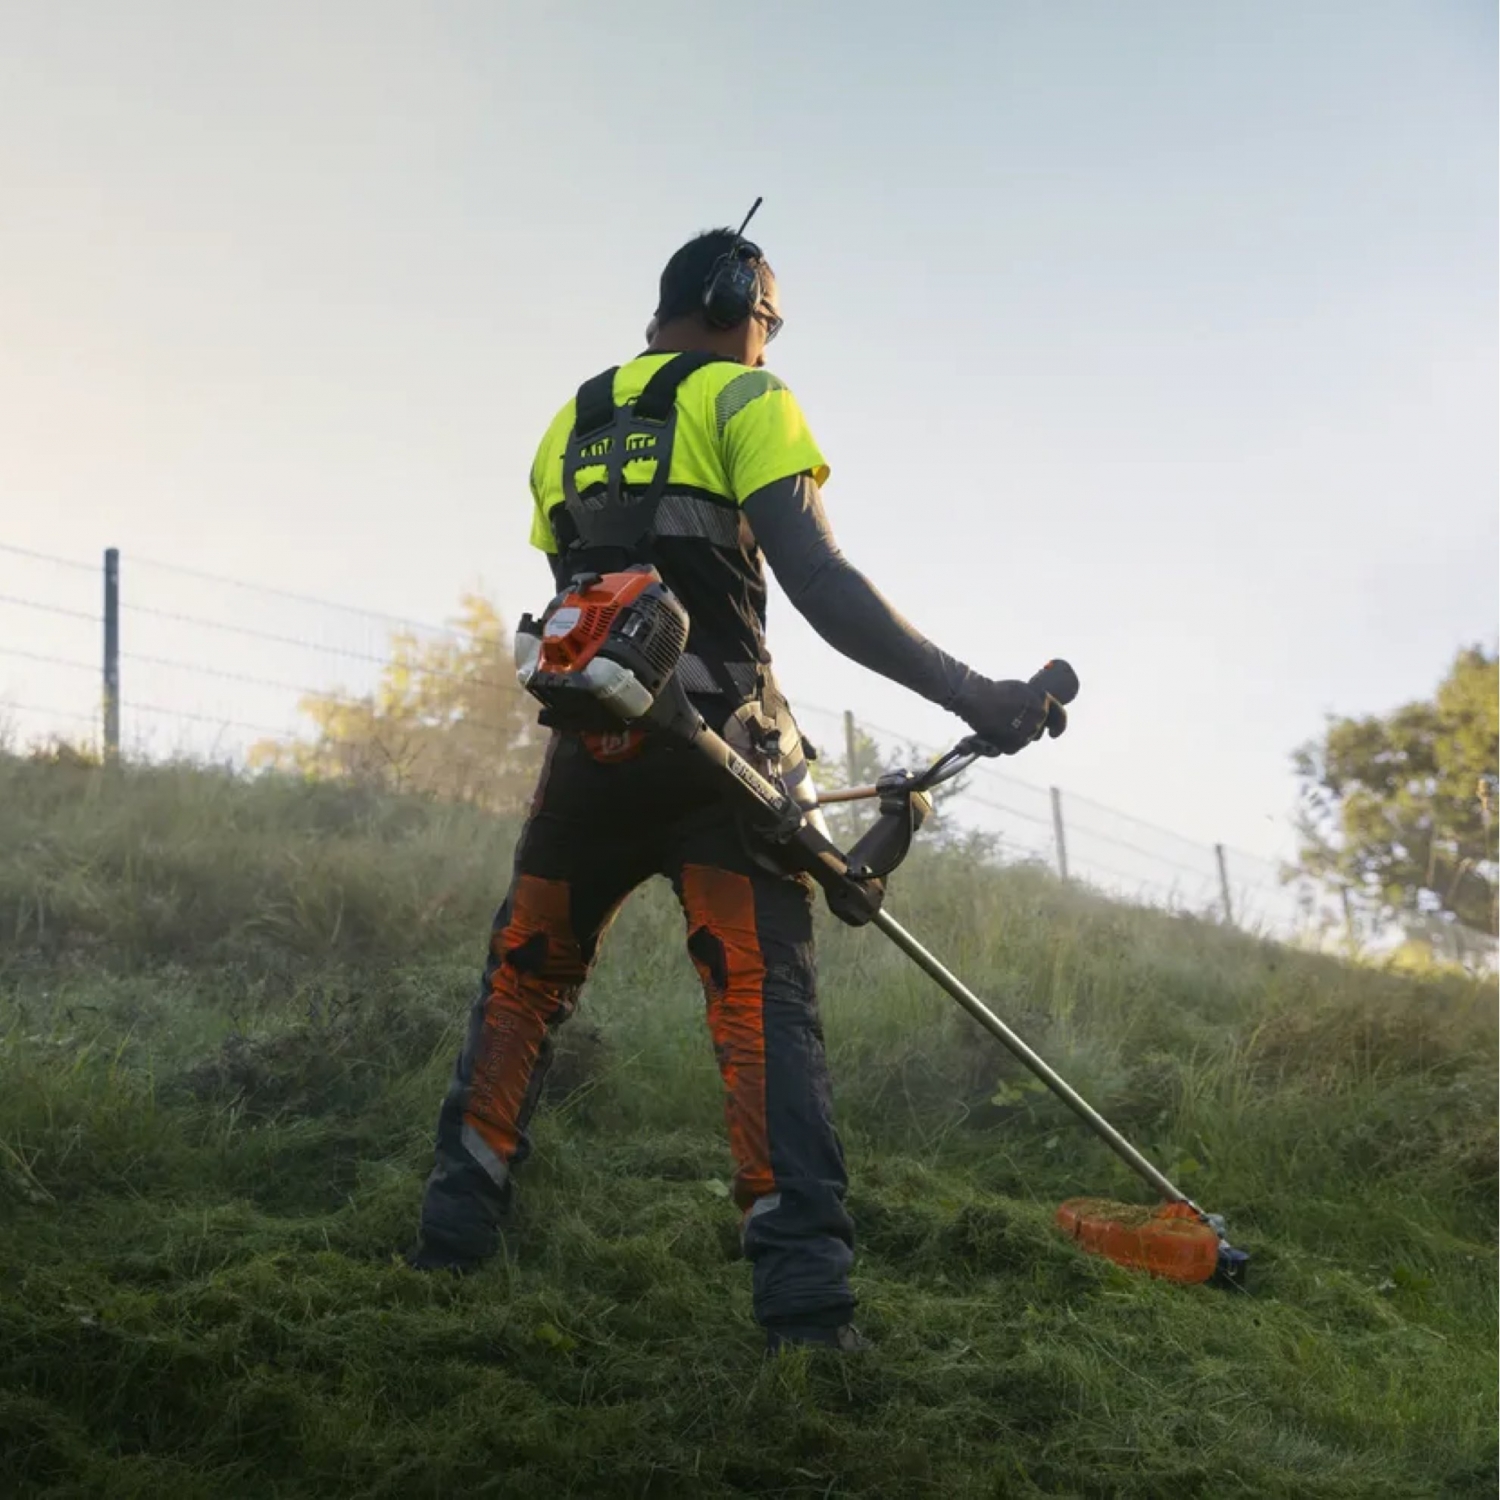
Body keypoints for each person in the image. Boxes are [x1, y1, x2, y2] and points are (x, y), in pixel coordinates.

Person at [410, 220, 1068, 1353]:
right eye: (769, 322)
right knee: (762, 1009)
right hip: (723, 761)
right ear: (734, 302)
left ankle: (449, 1241)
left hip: (592, 752)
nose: (768, 343)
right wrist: (977, 696)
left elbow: (583, 594)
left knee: (522, 984)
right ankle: (807, 1313)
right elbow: (819, 580)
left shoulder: (568, 422)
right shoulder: (746, 401)